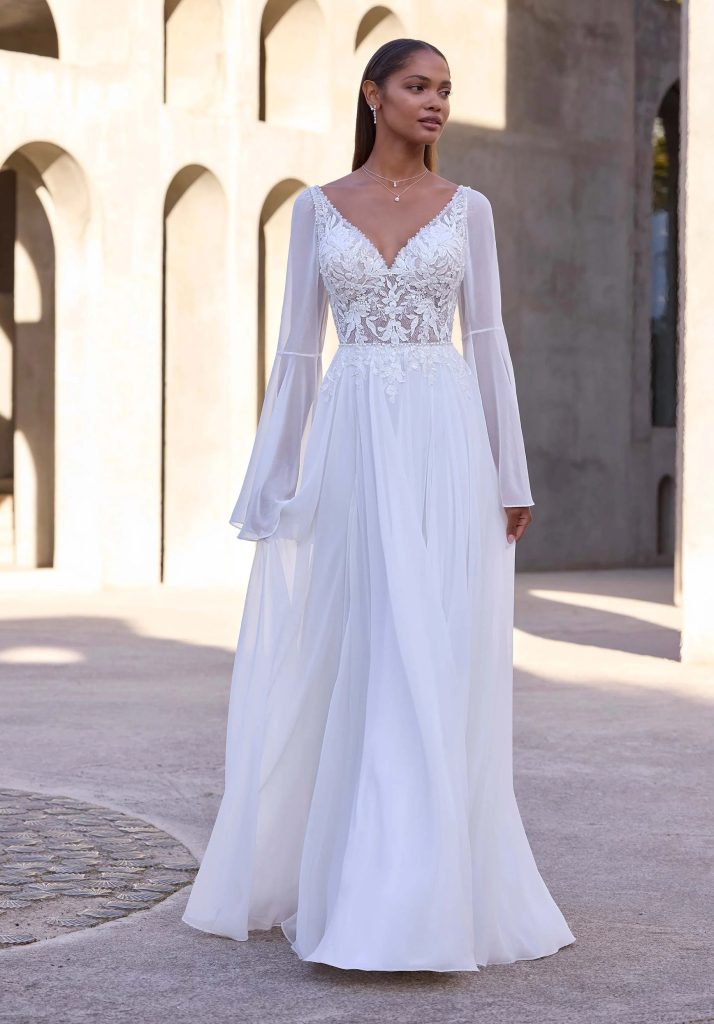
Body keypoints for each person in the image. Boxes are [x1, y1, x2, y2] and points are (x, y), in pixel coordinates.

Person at [182, 37, 576, 972]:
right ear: (374, 95)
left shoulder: (469, 209)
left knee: (431, 653)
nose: (436, 102)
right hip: (353, 446)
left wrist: (508, 472)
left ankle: (423, 898)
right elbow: (297, 354)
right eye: (418, 86)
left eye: (445, 89)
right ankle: (367, 888)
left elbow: (488, 342)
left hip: (445, 446)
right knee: (368, 649)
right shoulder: (317, 212)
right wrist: (273, 479)